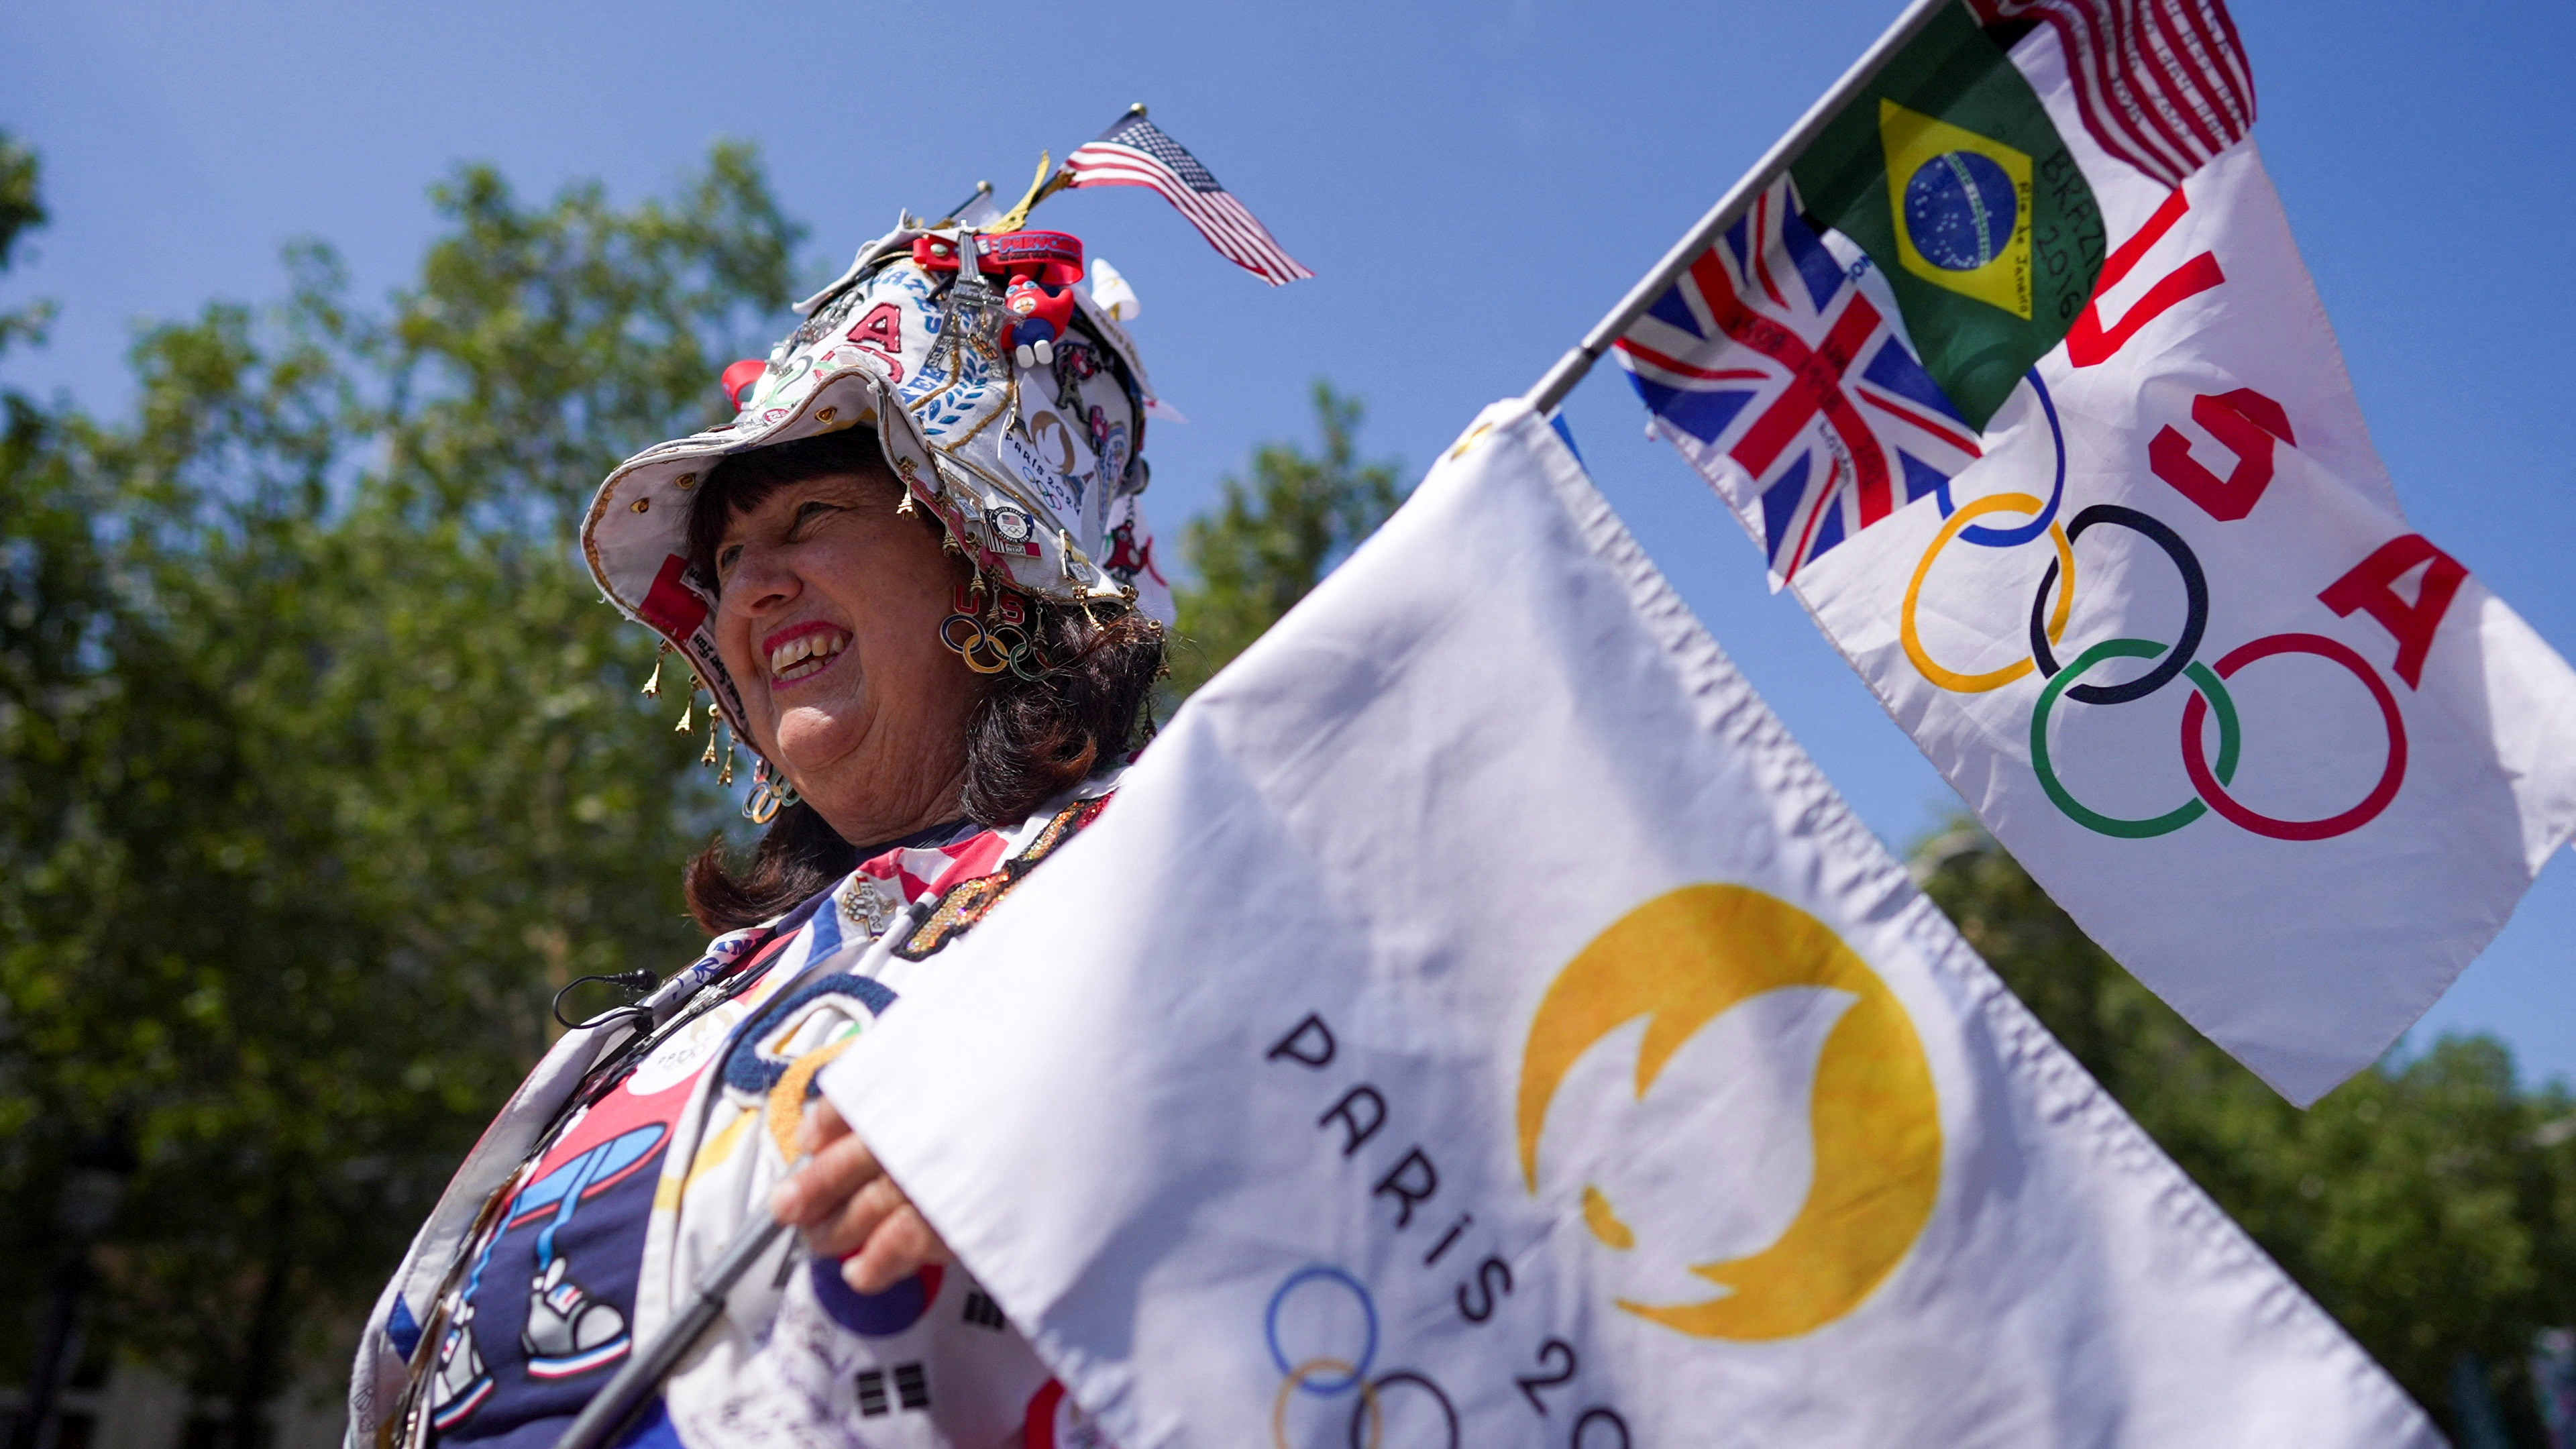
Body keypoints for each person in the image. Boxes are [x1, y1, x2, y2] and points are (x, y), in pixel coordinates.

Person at [347, 209, 1169, 1449]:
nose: (751, 586)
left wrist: (1063, 1177)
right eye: (727, 554)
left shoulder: (1161, 878)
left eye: (807, 521)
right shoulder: (700, 991)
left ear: (985, 562)